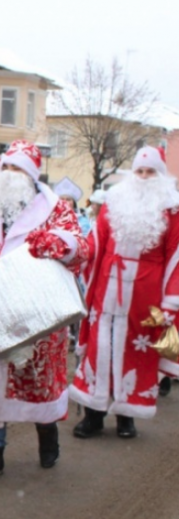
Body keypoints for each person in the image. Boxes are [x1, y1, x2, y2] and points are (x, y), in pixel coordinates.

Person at [0, 140, 87, 479]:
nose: (9, 175)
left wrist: (58, 244)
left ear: (30, 175)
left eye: (17, 169)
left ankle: (47, 432)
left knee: (38, 380)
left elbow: (78, 246)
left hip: (39, 311)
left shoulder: (54, 208)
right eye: (6, 168)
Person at [69, 146, 179, 439]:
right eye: (139, 171)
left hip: (146, 295)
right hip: (107, 286)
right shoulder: (114, 202)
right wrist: (75, 253)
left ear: (160, 175)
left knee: (135, 352)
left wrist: (171, 300)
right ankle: (93, 414)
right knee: (100, 346)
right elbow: (97, 242)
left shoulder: (172, 208)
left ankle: (126, 416)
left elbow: (176, 257)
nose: (143, 177)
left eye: (150, 172)